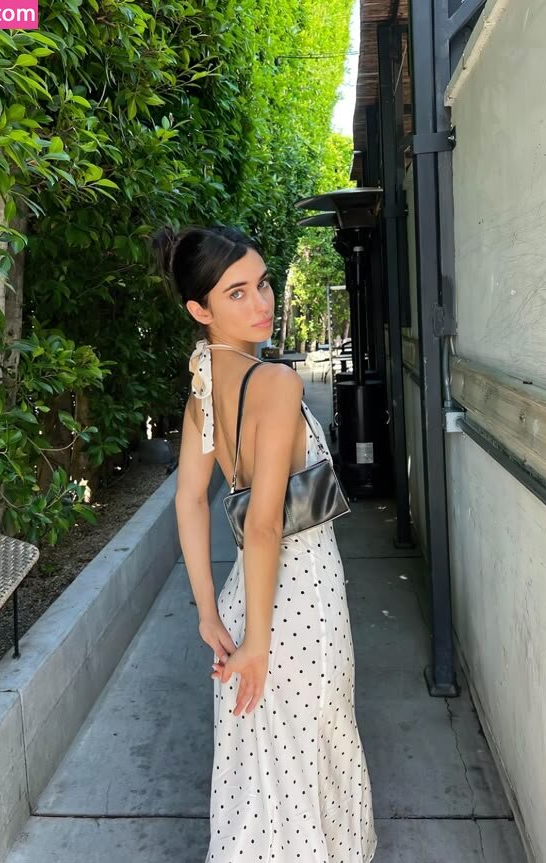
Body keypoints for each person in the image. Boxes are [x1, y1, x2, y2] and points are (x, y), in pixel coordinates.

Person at [155, 224, 378, 862]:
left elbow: (190, 500)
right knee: (308, 767)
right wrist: (257, 641)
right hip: (299, 606)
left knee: (259, 785)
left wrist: (209, 613)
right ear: (199, 310)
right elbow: (263, 524)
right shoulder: (275, 384)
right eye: (237, 293)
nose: (261, 303)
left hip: (241, 605)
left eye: (263, 283)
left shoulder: (204, 391)